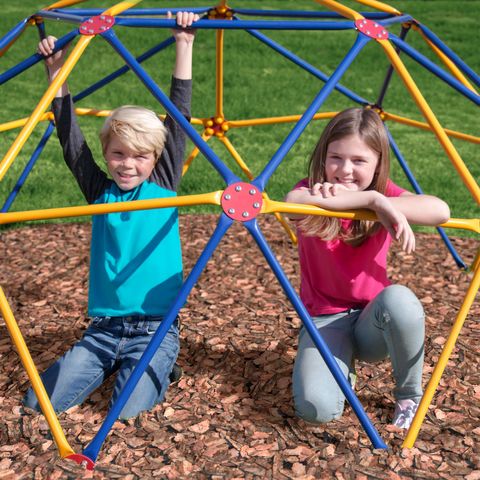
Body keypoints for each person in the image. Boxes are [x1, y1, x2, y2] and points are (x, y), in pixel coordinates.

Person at [24, 11, 199, 419]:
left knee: (127, 412)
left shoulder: (163, 184)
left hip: (155, 329)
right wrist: (57, 71)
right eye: (118, 154)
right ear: (107, 155)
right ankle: (109, 367)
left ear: (155, 158)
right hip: (104, 330)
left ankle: (158, 366)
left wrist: (184, 44)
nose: (127, 165)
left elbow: (179, 116)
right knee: (38, 405)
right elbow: (71, 142)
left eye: (139, 156)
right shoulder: (100, 191)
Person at [285, 107, 450, 429]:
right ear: (323, 156)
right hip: (324, 320)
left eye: (359, 161)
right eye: (336, 158)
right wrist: (373, 201)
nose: (345, 170)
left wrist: (378, 198)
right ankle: (338, 364)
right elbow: (293, 199)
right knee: (316, 410)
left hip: (374, 321)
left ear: (377, 164)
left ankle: (408, 396)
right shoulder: (313, 191)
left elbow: (439, 210)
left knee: (399, 299)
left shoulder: (386, 193)